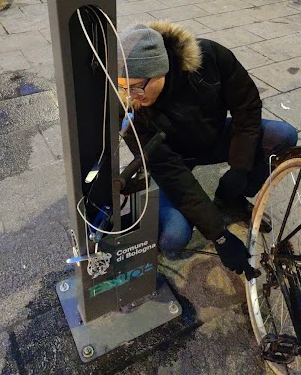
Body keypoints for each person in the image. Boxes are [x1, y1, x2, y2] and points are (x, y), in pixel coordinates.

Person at [117, 21, 298, 276]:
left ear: (161, 70)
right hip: (173, 159)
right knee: (173, 239)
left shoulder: (210, 58)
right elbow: (173, 174)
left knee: (284, 135)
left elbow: (247, 107)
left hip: (213, 137)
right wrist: (220, 236)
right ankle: (157, 205)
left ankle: (229, 198)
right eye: (124, 87)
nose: (131, 95)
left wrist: (240, 166)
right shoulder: (131, 106)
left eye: (136, 86)